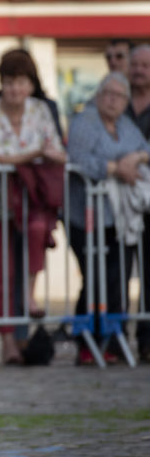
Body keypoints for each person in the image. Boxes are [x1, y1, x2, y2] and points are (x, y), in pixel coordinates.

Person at [0, 49, 66, 364]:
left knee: (37, 235)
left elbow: (58, 151)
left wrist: (31, 154)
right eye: (9, 81)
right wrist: (35, 152)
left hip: (32, 198)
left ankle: (28, 297)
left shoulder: (40, 110)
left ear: (30, 84)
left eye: (21, 81)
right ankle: (8, 341)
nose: (14, 89)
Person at [68, 73, 150, 364]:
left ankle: (114, 340)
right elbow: (76, 158)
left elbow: (145, 149)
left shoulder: (127, 125)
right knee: (94, 277)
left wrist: (136, 160)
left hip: (119, 217)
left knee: (119, 278)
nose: (112, 99)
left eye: (119, 95)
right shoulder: (85, 121)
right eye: (108, 93)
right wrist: (114, 167)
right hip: (85, 215)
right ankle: (86, 341)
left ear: (126, 101)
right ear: (98, 95)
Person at [125, 44, 150, 362]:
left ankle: (147, 339)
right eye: (136, 65)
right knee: (116, 271)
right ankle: (116, 340)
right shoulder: (116, 99)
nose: (140, 70)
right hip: (121, 201)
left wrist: (141, 156)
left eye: (146, 65)